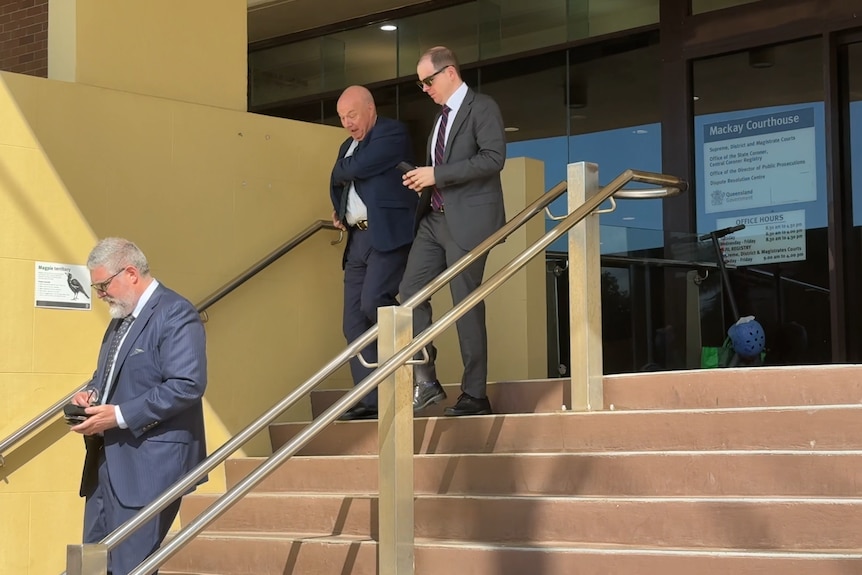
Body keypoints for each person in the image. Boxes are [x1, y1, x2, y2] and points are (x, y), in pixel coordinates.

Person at [68, 238, 207, 575]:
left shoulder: (175, 312)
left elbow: (187, 384)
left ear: (131, 272)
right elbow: (108, 376)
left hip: (150, 467)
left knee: (131, 566)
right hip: (106, 465)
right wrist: (90, 393)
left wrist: (118, 415)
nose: (100, 294)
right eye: (97, 287)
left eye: (103, 285)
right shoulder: (121, 318)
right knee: (89, 565)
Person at [401, 46, 507, 417]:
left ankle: (475, 394)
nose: (425, 88)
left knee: (465, 306)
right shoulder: (440, 118)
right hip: (433, 220)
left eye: (427, 80)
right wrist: (423, 178)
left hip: (470, 221)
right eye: (421, 83)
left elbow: (494, 158)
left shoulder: (483, 107)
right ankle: (426, 380)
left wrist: (437, 174)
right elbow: (443, 168)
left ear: (449, 73)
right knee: (409, 297)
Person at [330, 85, 417, 420]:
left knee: (373, 303)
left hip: (387, 236)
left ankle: (414, 345)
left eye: (352, 114)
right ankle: (371, 401)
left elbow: (353, 170)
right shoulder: (346, 146)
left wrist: (348, 169)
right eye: (341, 117)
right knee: (353, 322)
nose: (347, 123)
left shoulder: (391, 132)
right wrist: (341, 209)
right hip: (357, 240)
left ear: (369, 108)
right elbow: (337, 179)